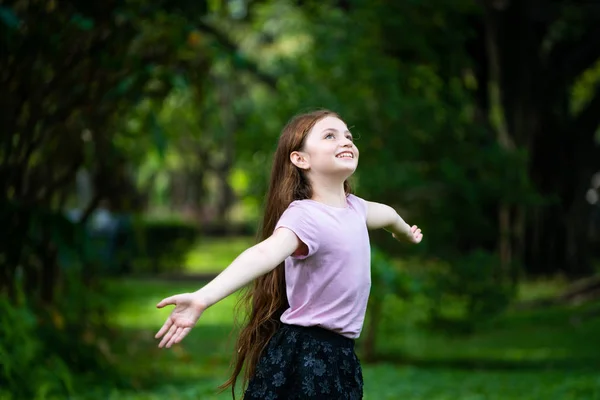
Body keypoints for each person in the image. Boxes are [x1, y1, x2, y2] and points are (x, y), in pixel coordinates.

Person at [154, 110, 423, 399]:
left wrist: (404, 232)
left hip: (340, 355)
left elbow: (388, 214)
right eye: (330, 136)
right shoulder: (305, 216)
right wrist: (203, 298)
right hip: (305, 354)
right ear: (300, 159)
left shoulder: (356, 210)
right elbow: (265, 253)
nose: (345, 141)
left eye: (348, 136)